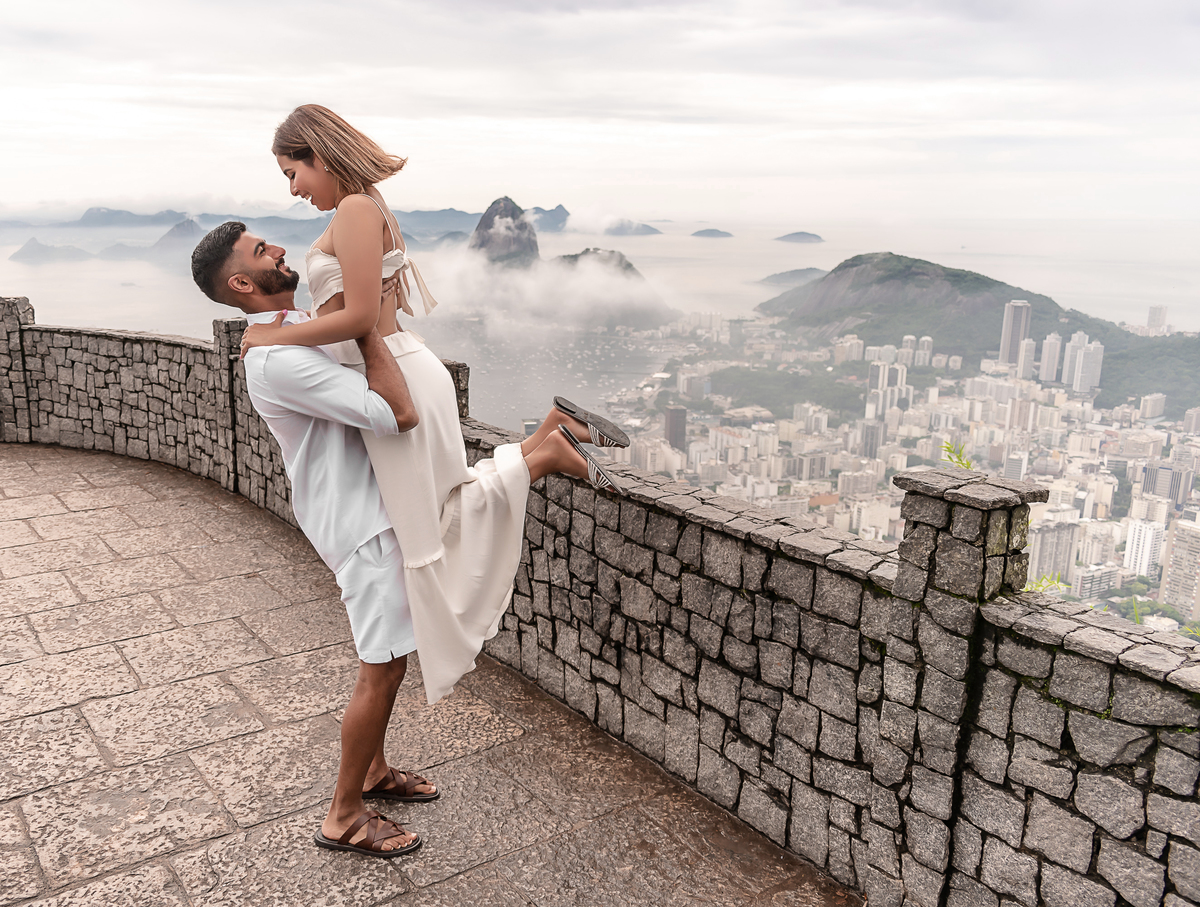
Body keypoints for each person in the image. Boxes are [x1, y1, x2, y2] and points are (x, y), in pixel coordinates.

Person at [238, 104, 630, 710]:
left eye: (293, 172)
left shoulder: (356, 209)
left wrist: (272, 334)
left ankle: (549, 452)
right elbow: (353, 311)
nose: (293, 190)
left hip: (397, 374)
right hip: (402, 365)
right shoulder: (365, 206)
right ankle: (551, 434)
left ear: (318, 155)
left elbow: (361, 317)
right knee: (441, 507)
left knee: (431, 527)